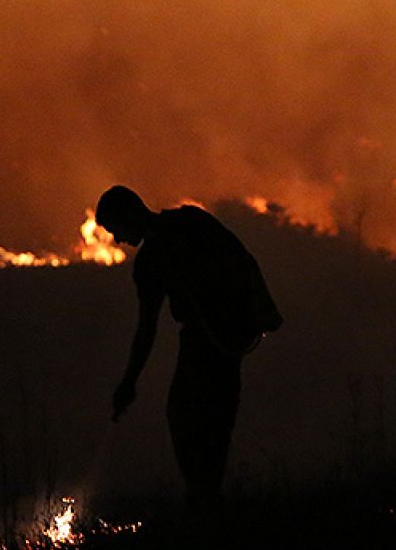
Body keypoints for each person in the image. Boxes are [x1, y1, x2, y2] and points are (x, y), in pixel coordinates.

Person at [97, 186, 282, 510]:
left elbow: (147, 328)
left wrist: (129, 381)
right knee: (216, 420)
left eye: (116, 229)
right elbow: (240, 257)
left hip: (206, 340)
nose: (118, 239)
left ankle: (203, 501)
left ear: (128, 215)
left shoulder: (152, 259)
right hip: (231, 338)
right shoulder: (190, 220)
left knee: (184, 416)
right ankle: (209, 499)